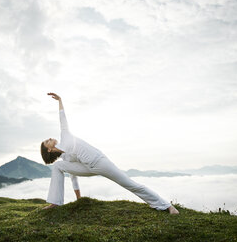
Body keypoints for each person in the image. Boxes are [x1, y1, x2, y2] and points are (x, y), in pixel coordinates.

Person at [41, 92, 179, 214]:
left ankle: (167, 206)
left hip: (99, 162)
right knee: (57, 166)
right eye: (47, 141)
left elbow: (62, 118)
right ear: (49, 149)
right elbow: (73, 176)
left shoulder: (65, 135)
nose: (50, 138)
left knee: (130, 184)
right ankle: (56, 202)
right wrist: (79, 199)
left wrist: (60, 100)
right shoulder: (64, 157)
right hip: (87, 168)